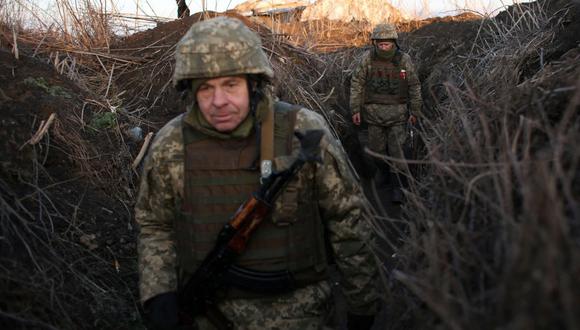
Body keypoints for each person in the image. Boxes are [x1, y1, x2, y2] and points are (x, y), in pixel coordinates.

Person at [135, 16, 379, 330]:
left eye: (230, 85)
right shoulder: (172, 143)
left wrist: (362, 301)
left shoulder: (301, 130)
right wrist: (159, 293)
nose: (218, 101)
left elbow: (348, 217)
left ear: (254, 83)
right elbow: (155, 224)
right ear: (190, 90)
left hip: (300, 315)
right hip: (206, 317)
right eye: (205, 88)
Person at [349, 23, 423, 203]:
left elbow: (414, 85)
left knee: (398, 152)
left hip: (398, 116)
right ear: (375, 43)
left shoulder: (403, 60)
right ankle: (383, 173)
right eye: (380, 44)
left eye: (387, 44)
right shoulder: (367, 58)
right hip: (373, 116)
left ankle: (397, 186)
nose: (383, 47)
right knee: (377, 151)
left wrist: (415, 110)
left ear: (394, 43)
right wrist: (355, 109)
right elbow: (357, 83)